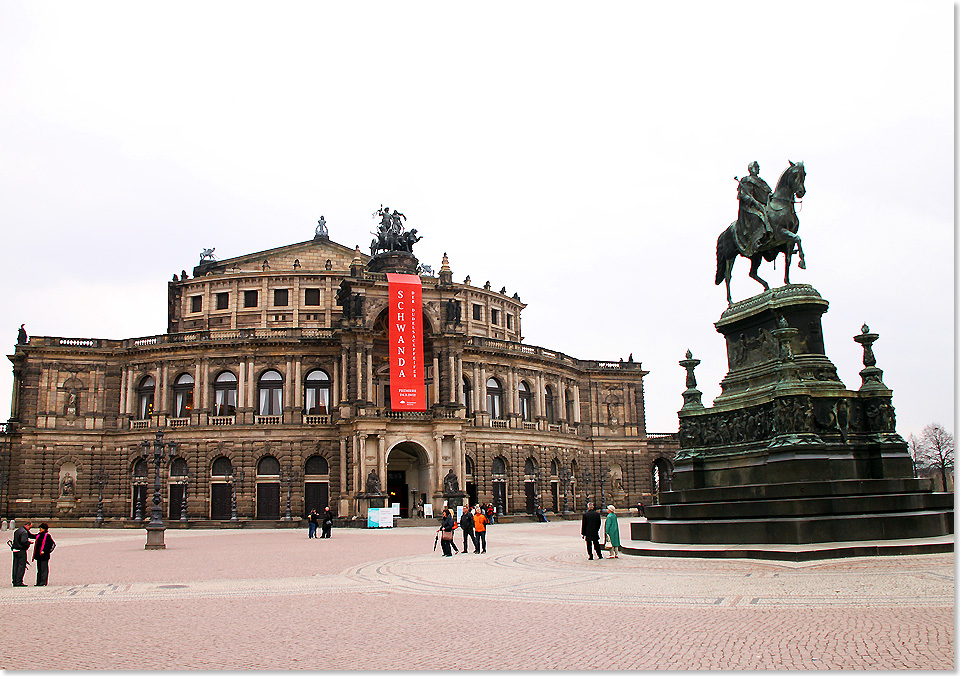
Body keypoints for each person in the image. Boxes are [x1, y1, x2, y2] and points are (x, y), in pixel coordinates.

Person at [736, 160, 773, 256]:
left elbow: (768, 193)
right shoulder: (746, 180)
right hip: (750, 208)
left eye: (758, 168)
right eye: (755, 168)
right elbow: (743, 195)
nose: (757, 169)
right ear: (751, 169)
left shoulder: (761, 182)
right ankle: (756, 241)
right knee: (758, 216)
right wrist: (754, 202)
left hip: (764, 206)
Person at [11, 520, 35, 586]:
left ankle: (14, 581)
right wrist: (28, 543)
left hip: (15, 550)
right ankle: (19, 582)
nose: (30, 528)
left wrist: (37, 536)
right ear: (27, 525)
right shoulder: (24, 532)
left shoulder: (18, 530)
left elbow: (30, 535)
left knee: (15, 566)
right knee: (21, 566)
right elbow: (23, 541)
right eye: (30, 527)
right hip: (21, 550)